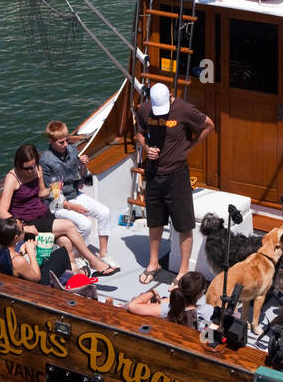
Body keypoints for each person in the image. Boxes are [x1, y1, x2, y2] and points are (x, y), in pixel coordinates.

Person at [134, 82, 214, 285]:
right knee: (155, 220)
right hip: (153, 174)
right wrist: (146, 147)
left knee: (183, 224)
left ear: (171, 95)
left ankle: (184, 270)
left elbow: (209, 124)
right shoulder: (144, 109)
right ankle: (154, 263)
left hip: (177, 175)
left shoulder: (184, 109)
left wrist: (191, 146)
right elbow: (139, 133)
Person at [0, 143, 118, 276]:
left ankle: (73, 276)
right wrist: (23, 228)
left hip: (42, 214)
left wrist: (53, 190)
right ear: (19, 164)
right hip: (26, 222)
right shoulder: (13, 178)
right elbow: (3, 212)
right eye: (27, 168)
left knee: (67, 243)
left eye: (33, 166)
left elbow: (41, 193)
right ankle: (93, 261)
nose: (31, 171)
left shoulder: (38, 170)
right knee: (69, 225)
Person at [40, 121, 116, 267]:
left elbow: (81, 177)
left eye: (67, 140)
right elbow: (52, 193)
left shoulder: (72, 150)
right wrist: (72, 207)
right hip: (57, 204)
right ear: (51, 141)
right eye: (61, 142)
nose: (65, 144)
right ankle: (77, 255)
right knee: (85, 224)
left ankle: (103, 253)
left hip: (74, 194)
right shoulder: (46, 161)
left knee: (104, 212)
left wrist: (82, 165)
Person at [0, 218, 74, 286]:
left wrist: (21, 252)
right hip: (34, 288)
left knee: (56, 257)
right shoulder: (18, 261)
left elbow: (13, 266)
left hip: (16, 283)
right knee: (61, 253)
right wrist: (31, 252)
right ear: (16, 237)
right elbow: (37, 278)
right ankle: (81, 273)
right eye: (22, 228)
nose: (24, 228)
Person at [127, 272, 212, 331]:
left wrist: (152, 292)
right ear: (199, 294)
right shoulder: (207, 311)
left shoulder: (167, 309)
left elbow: (132, 306)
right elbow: (209, 338)